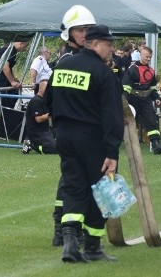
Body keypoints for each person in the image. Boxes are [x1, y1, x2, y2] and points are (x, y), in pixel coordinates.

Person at [46, 25, 123, 263]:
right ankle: (92, 247)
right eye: (108, 44)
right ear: (96, 44)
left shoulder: (62, 66)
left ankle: (69, 244)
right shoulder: (103, 73)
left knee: (73, 186)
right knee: (100, 190)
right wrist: (112, 151)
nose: (112, 49)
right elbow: (112, 116)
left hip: (65, 135)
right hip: (92, 138)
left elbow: (47, 99)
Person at [122, 46, 161, 154]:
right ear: (141, 55)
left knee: (151, 121)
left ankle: (156, 146)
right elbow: (126, 85)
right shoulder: (133, 68)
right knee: (129, 122)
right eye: (146, 56)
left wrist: (156, 98)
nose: (148, 59)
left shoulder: (151, 71)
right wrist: (125, 99)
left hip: (146, 100)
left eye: (150, 57)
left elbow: (152, 88)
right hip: (133, 99)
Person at [22, 77, 56, 155]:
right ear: (40, 89)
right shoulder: (36, 101)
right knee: (53, 150)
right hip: (37, 132)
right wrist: (51, 113)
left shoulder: (46, 100)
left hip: (46, 129)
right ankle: (32, 145)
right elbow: (38, 119)